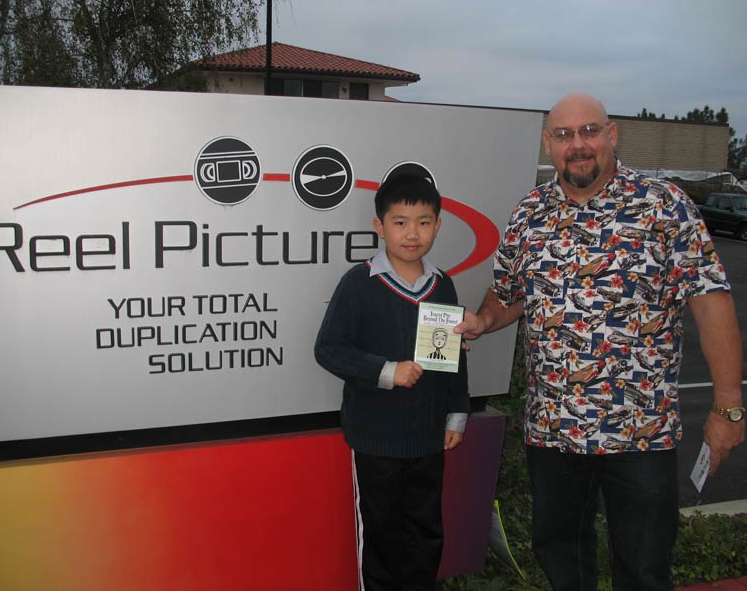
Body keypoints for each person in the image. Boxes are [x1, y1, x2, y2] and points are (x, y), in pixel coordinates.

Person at [455, 92, 745, 591]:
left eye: (589, 131)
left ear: (612, 135)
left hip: (639, 431)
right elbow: (509, 293)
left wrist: (728, 406)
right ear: (549, 145)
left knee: (644, 564)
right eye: (564, 135)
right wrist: (483, 321)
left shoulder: (662, 206)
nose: (578, 145)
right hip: (553, 431)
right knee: (561, 555)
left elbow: (711, 301)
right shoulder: (530, 214)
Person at [315, 173, 470, 591]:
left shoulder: (443, 286)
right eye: (400, 222)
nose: (412, 233)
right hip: (376, 439)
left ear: (438, 225)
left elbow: (451, 355)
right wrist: (388, 370)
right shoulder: (359, 284)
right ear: (379, 227)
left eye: (423, 221)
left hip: (427, 438)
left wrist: (456, 412)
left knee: (424, 534)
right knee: (382, 537)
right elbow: (329, 349)